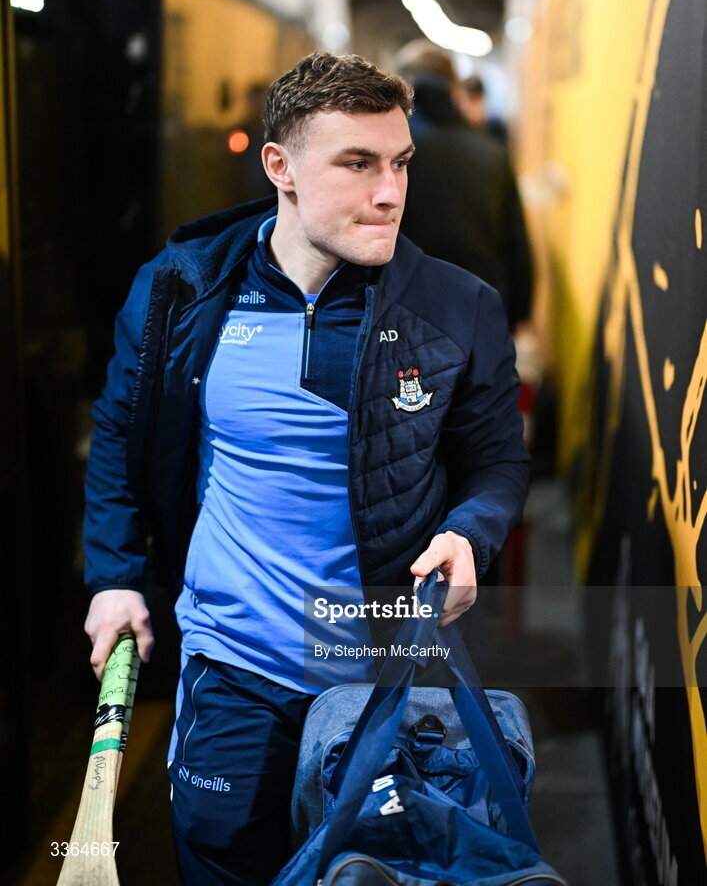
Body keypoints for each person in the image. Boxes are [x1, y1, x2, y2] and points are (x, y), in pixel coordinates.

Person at [82, 51, 530, 886]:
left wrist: (471, 530)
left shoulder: (455, 306)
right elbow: (118, 434)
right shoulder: (182, 290)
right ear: (280, 168)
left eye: (398, 163)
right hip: (233, 667)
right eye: (356, 164)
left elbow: (496, 460)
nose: (389, 191)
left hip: (382, 671)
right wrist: (114, 575)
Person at [395, 43, 533, 330]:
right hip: (477, 315)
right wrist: (515, 318)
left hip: (401, 316)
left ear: (403, 85)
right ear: (454, 89)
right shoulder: (490, 153)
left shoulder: (387, 153)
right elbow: (517, 247)